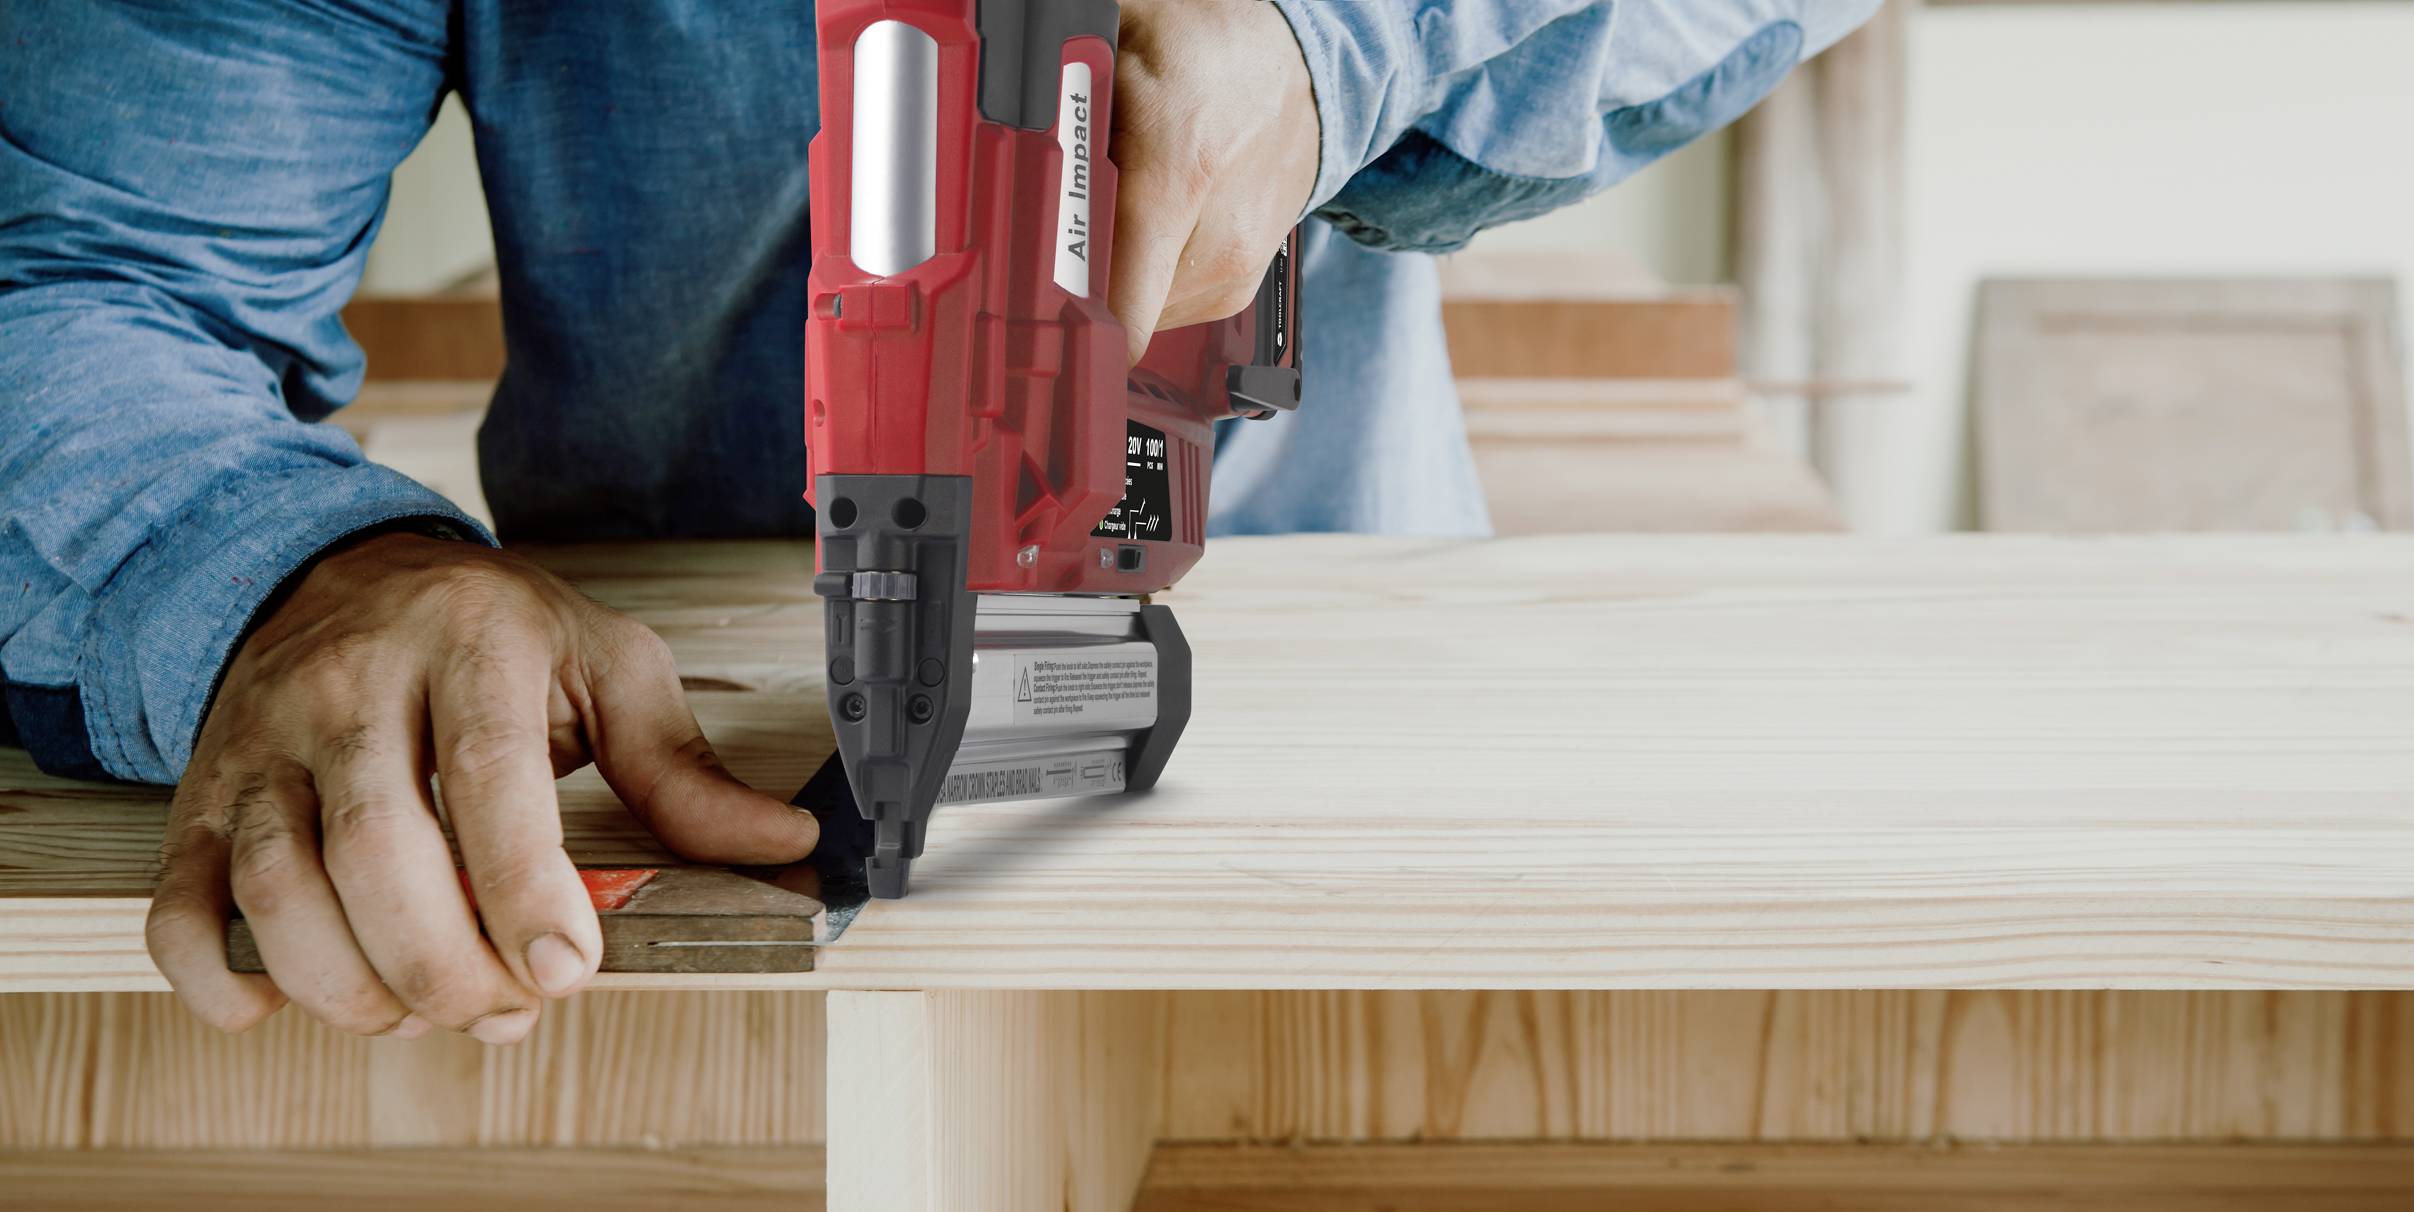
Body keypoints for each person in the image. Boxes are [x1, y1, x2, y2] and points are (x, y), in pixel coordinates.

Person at [0, 0, 1876, 1042]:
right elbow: (75, 271)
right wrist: (299, 577)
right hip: (664, 698)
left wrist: (1331, 48)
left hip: (1332, 683)